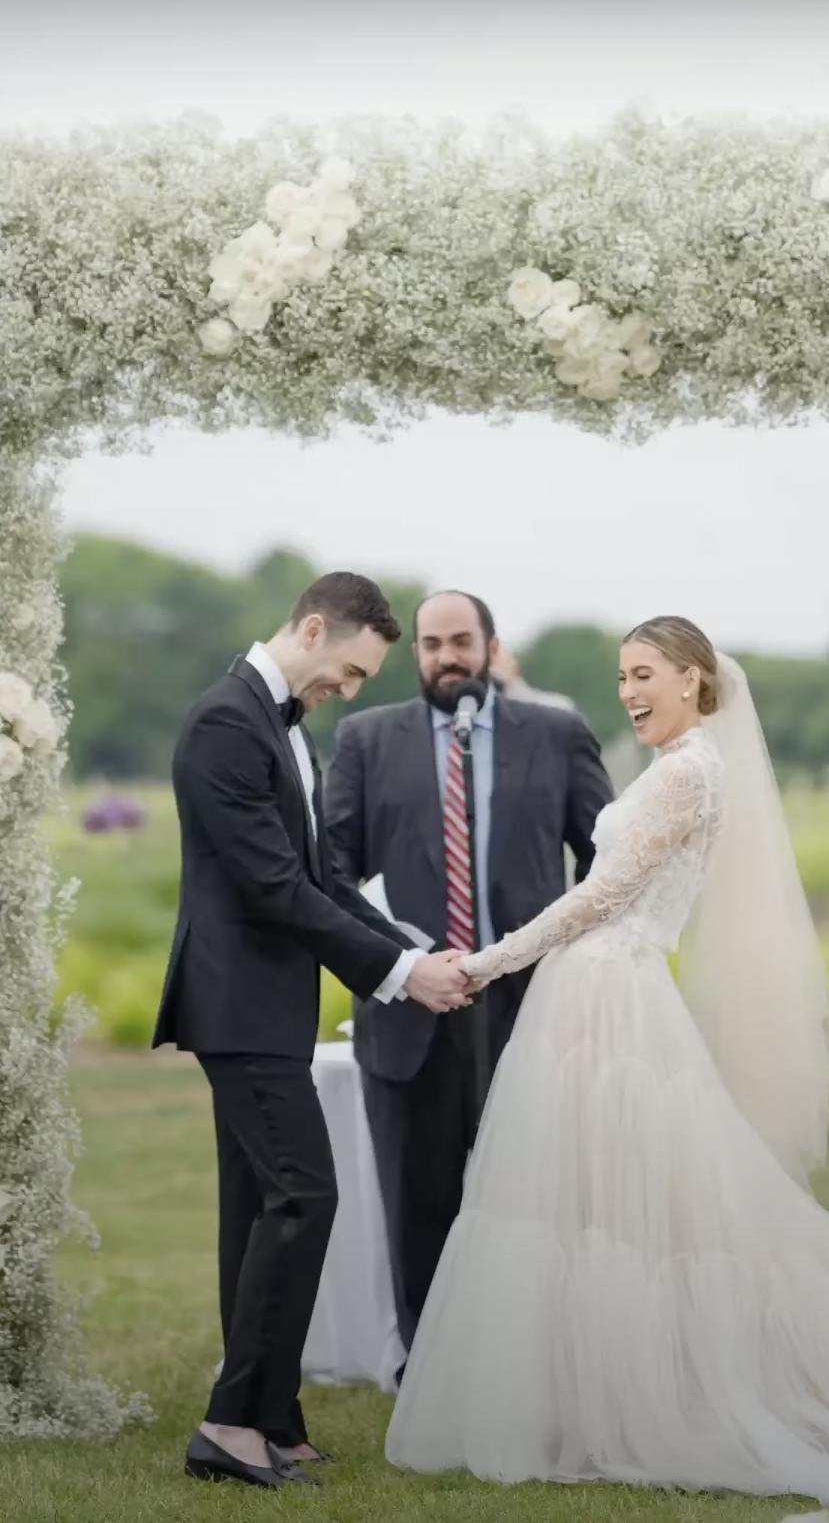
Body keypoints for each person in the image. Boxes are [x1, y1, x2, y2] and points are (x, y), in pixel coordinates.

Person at [387, 615, 829, 1513]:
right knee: (590, 1205)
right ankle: (585, 1396)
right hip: (595, 994)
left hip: (611, 995)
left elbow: (602, 896)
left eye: (642, 674)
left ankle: (641, 1399)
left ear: (691, 678)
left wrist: (481, 962)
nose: (628, 691)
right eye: (622, 676)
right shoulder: (684, 767)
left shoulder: (690, 773)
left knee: (623, 1211)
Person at [153, 572, 471, 1490]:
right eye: (352, 670)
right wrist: (405, 977)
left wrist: (413, 953)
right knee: (307, 1198)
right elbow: (271, 889)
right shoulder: (225, 724)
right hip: (239, 1008)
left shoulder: (282, 727)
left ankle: (271, 1419)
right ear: (312, 627)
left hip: (272, 1008)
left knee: (258, 1212)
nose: (352, 689)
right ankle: (227, 1426)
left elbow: (323, 882)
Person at [324, 589, 613, 1367]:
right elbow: (330, 872)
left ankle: (535, 1360)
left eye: (460, 641)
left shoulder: (556, 734)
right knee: (418, 1203)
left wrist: (578, 964)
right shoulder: (363, 739)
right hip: (410, 1010)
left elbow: (607, 861)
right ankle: (430, 1368)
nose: (446, 658)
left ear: (490, 645)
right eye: (430, 645)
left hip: (535, 1008)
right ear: (414, 653)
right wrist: (404, 961)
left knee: (535, 1197)